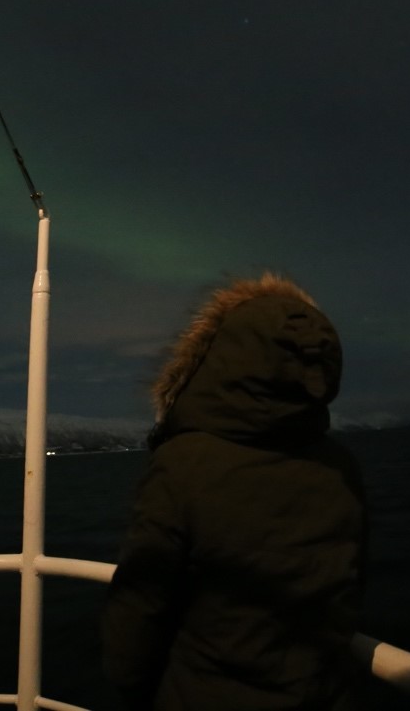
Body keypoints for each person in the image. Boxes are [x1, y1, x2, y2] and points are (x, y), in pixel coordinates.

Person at [102, 272, 369, 711]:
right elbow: (350, 586)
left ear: (215, 358)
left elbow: (141, 603)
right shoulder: (339, 466)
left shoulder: (183, 463)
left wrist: (132, 686)